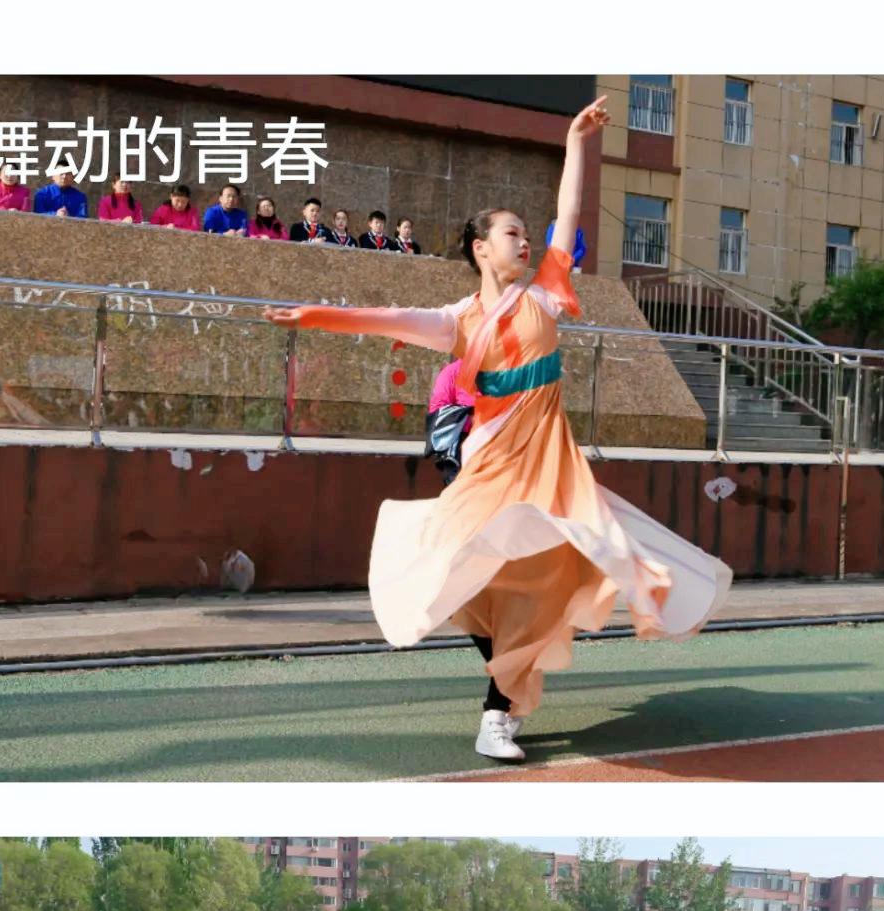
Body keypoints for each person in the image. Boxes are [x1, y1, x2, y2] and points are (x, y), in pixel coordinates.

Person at [266, 96, 730, 765]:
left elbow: (569, 214)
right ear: (482, 249)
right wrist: (315, 314)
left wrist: (576, 142)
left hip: (551, 472)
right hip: (489, 470)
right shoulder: (458, 318)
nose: (526, 239)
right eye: (513, 233)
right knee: (467, 578)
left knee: (553, 580)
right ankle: (504, 686)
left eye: (525, 232)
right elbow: (388, 318)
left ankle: (498, 713)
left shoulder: (546, 292)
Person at [426, 358, 476, 488]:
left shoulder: (504, 370)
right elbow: (437, 408)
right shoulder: (453, 371)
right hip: (461, 441)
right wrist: (466, 414)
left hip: (496, 441)